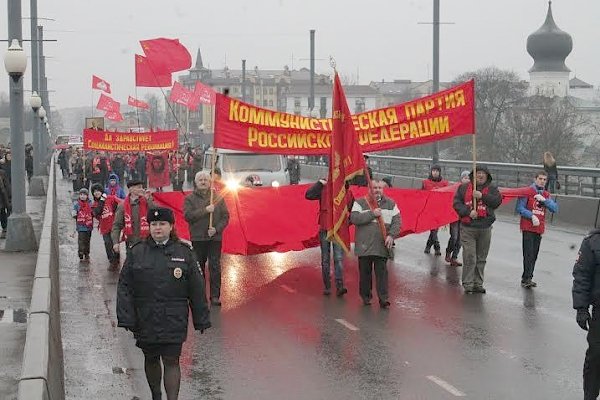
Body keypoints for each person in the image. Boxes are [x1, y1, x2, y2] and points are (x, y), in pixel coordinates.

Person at [117, 207, 211, 400]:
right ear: (149, 227)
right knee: (151, 358)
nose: (157, 228)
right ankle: (156, 395)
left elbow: (196, 288)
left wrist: (201, 318)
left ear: (171, 227)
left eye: (162, 224)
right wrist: (126, 317)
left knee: (171, 360)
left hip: (174, 317)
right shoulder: (137, 252)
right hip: (145, 317)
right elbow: (125, 286)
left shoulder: (184, 253)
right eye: (153, 224)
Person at [350, 179, 401, 308]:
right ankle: (366, 297)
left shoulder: (391, 204)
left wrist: (391, 235)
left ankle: (384, 299)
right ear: (369, 188)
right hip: (365, 246)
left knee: (382, 274)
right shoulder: (360, 202)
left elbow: (397, 222)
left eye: (380, 188)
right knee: (365, 274)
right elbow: (354, 218)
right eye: (375, 188)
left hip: (381, 245)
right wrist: (372, 214)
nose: (377, 190)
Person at [453, 165, 502, 294]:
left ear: (487, 176)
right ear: (473, 175)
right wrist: (468, 212)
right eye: (478, 173)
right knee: (470, 256)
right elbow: (456, 204)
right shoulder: (463, 188)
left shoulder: (492, 189)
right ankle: (468, 283)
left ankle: (478, 283)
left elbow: (497, 202)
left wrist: (482, 196)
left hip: (485, 228)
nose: (480, 175)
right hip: (468, 228)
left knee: (481, 258)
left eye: (483, 173)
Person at [183, 172, 229, 306]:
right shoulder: (189, 199)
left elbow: (225, 216)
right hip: (198, 238)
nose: (203, 182)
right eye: (200, 180)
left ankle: (215, 296)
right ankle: (200, 295)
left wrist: (216, 229)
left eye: (206, 180)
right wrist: (205, 210)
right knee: (199, 267)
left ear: (210, 182)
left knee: (215, 267)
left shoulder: (217, 197)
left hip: (214, 238)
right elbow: (188, 216)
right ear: (196, 182)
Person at [305, 178, 349, 296]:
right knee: (325, 259)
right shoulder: (322, 189)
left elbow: (351, 207)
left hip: (337, 230)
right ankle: (327, 286)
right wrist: (319, 183)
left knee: (338, 258)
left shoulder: (344, 189)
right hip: (325, 228)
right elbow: (308, 195)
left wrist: (345, 223)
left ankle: (340, 285)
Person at [516, 171, 558, 288]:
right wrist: (531, 215)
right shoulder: (527, 192)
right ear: (535, 179)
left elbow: (555, 208)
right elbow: (520, 208)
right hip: (528, 226)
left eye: (545, 179)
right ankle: (526, 278)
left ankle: (529, 276)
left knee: (534, 254)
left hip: (539, 228)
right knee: (528, 253)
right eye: (540, 179)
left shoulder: (546, 194)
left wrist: (545, 201)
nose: (542, 181)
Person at [111, 179, 155, 254]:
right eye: (138, 187)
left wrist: (149, 200)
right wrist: (115, 242)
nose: (141, 189)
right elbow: (117, 225)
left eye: (142, 187)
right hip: (131, 242)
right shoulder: (123, 205)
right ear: (131, 189)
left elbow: (156, 214)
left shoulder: (147, 202)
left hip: (147, 241)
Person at [91, 183, 121, 270]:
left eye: (98, 191)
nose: (96, 193)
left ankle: (117, 258)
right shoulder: (94, 205)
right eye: (94, 191)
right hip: (104, 227)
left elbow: (120, 204)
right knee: (108, 243)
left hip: (114, 225)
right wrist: (102, 200)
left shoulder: (110, 198)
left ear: (102, 191)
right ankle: (111, 260)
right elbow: (97, 212)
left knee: (115, 242)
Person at [422, 165, 449, 255]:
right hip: (429, 209)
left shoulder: (444, 183)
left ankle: (429, 246)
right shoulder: (426, 182)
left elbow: (447, 196)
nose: (435, 172)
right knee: (433, 229)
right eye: (433, 171)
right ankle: (436, 247)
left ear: (439, 172)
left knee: (434, 229)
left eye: (437, 171)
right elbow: (421, 195)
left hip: (439, 210)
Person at [445, 171, 470, 267]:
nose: (467, 180)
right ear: (461, 179)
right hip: (454, 217)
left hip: (464, 218)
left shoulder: (471, 190)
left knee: (460, 239)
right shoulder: (455, 188)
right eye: (465, 178)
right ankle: (448, 252)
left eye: (468, 178)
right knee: (454, 237)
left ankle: (454, 257)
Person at [72, 188, 93, 262]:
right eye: (81, 194)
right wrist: (74, 214)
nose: (82, 196)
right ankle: (80, 253)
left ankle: (87, 253)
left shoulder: (90, 204)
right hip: (80, 226)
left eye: (84, 195)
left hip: (89, 226)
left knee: (87, 240)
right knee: (81, 240)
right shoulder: (77, 204)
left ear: (87, 196)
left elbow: (93, 212)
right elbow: (74, 212)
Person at [0, 169, 11, 239]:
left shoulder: (2, 173)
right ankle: (5, 229)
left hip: (1, 199)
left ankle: (5, 229)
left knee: (2, 213)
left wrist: (9, 199)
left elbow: (6, 188)